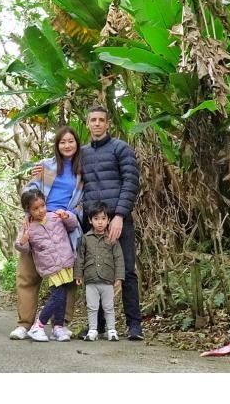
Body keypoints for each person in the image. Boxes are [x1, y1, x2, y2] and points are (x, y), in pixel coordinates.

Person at [9, 126, 83, 341]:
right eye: (62, 142)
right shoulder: (45, 166)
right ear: (57, 145)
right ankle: (24, 324)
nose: (67, 145)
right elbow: (27, 191)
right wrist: (32, 212)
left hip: (64, 226)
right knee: (27, 276)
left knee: (67, 278)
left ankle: (61, 325)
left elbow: (83, 204)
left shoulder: (83, 171)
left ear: (77, 143)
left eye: (71, 141)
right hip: (37, 225)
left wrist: (69, 215)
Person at [80, 104, 143, 341]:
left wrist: (119, 216)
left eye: (101, 120)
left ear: (108, 124)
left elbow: (130, 182)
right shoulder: (83, 153)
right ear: (88, 124)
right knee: (94, 274)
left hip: (118, 221)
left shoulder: (121, 149)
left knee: (126, 270)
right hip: (91, 223)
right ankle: (97, 326)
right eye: (92, 119)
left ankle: (134, 326)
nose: (96, 123)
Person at [14, 188, 79, 342]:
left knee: (62, 296)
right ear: (28, 210)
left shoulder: (55, 217)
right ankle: (39, 325)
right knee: (57, 297)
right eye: (35, 209)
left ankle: (57, 327)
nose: (40, 210)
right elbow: (23, 247)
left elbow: (73, 225)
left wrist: (67, 216)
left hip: (65, 262)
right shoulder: (28, 227)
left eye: (42, 206)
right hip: (50, 266)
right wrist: (23, 241)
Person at [74, 202, 124, 341]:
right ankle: (93, 330)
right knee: (92, 307)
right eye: (96, 219)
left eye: (103, 218)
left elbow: (118, 258)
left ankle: (112, 330)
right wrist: (78, 274)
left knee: (108, 307)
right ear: (90, 220)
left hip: (108, 280)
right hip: (90, 280)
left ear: (108, 220)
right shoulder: (85, 238)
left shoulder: (112, 238)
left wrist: (119, 278)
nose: (100, 222)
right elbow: (80, 257)